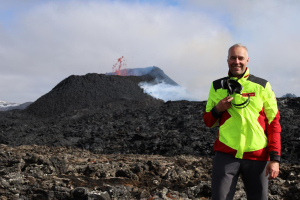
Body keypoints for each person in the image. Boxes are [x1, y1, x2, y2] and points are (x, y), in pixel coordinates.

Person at [203, 44, 281, 200]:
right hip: (226, 155)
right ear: (227, 60)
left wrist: (275, 159)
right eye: (233, 58)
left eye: (240, 58)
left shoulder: (262, 86)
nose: (236, 62)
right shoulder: (217, 86)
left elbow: (274, 123)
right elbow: (208, 122)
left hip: (257, 157)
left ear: (247, 60)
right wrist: (218, 109)